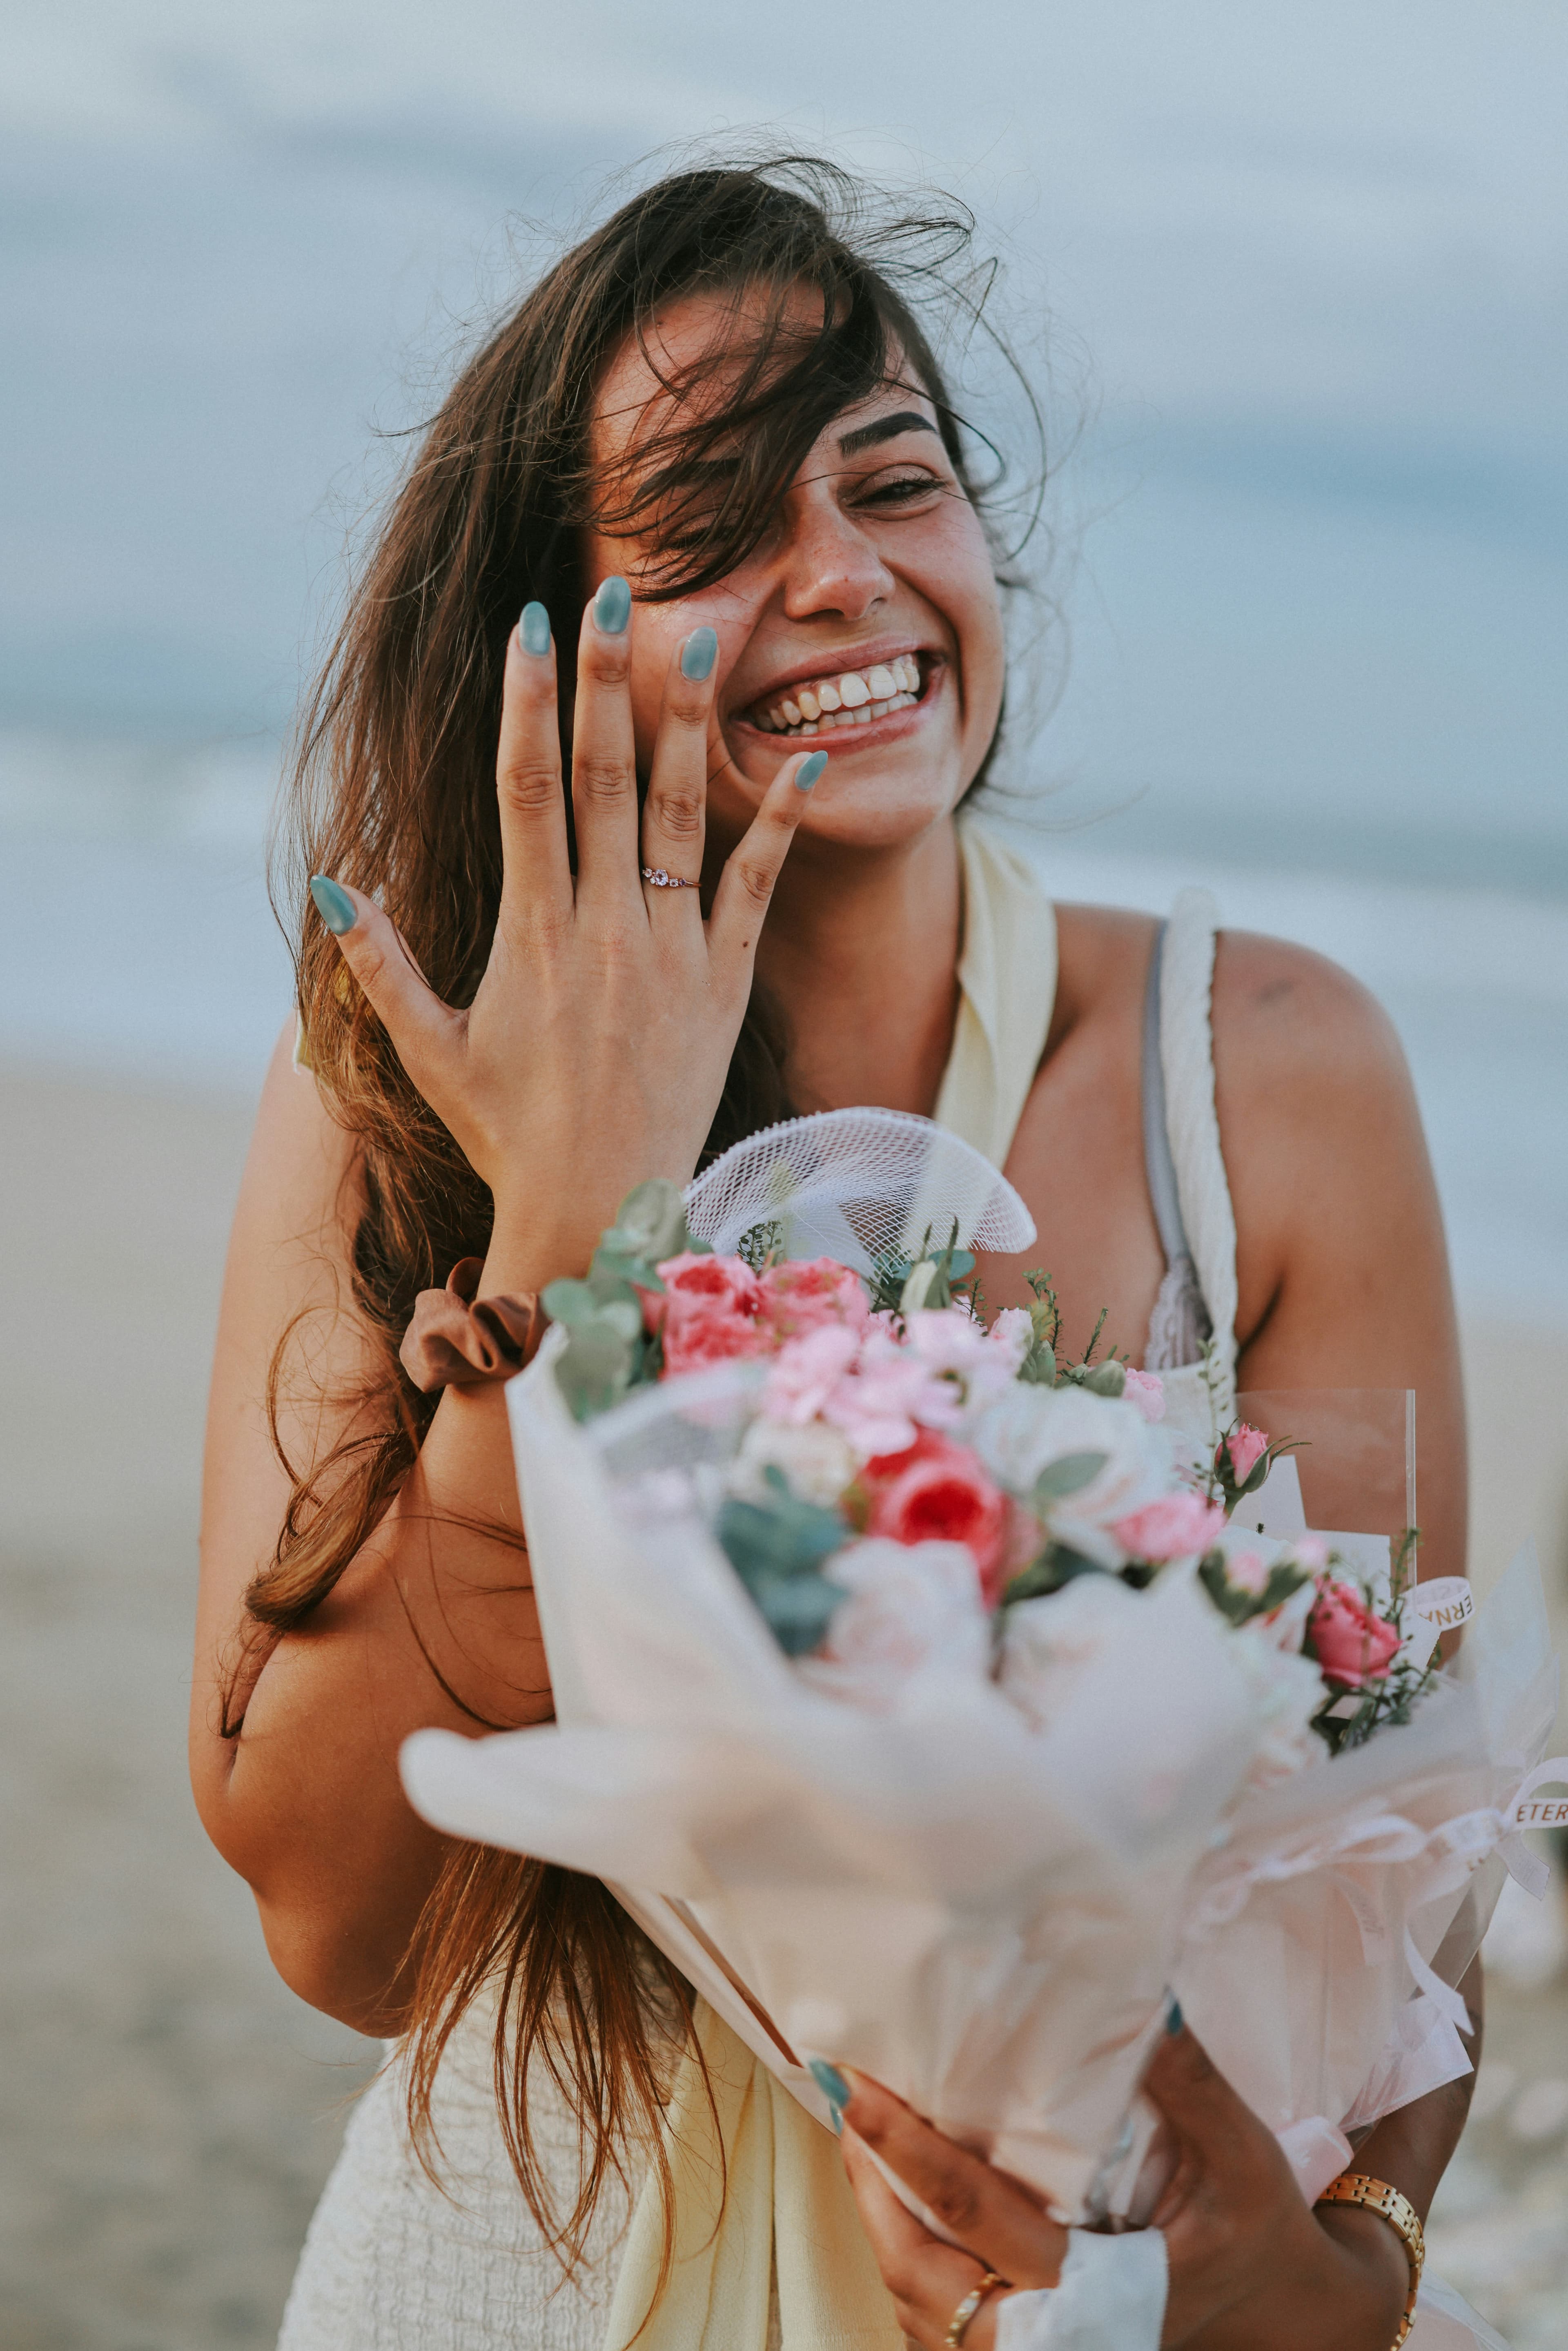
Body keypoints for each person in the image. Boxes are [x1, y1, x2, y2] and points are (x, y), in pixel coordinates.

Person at [192, 158, 1477, 2348]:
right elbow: (351, 1942)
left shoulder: (1264, 1073)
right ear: (546, 644)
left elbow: (1396, 1848)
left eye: (896, 483)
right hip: (526, 2251)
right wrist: (565, 1234)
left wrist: (1330, 2268)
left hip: (1078, 2267)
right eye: (705, 530)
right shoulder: (400, 1084)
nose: (843, 578)